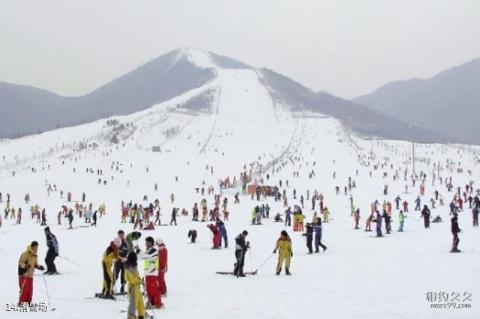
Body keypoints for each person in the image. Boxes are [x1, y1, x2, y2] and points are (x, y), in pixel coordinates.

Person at [139, 237, 162, 309]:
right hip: (148, 272)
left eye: (146, 242)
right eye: (145, 242)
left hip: (152, 272)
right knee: (149, 289)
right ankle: (151, 302)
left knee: (154, 289)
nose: (145, 244)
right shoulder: (149, 250)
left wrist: (138, 251)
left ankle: (158, 303)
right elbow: (142, 257)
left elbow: (146, 256)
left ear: (150, 242)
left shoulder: (154, 250)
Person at [125, 251, 146, 319]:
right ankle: (130, 317)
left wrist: (140, 280)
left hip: (137, 288)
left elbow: (137, 276)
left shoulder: (134, 266)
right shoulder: (128, 267)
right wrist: (140, 281)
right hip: (133, 289)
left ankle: (141, 316)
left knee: (141, 305)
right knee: (133, 306)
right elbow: (132, 280)